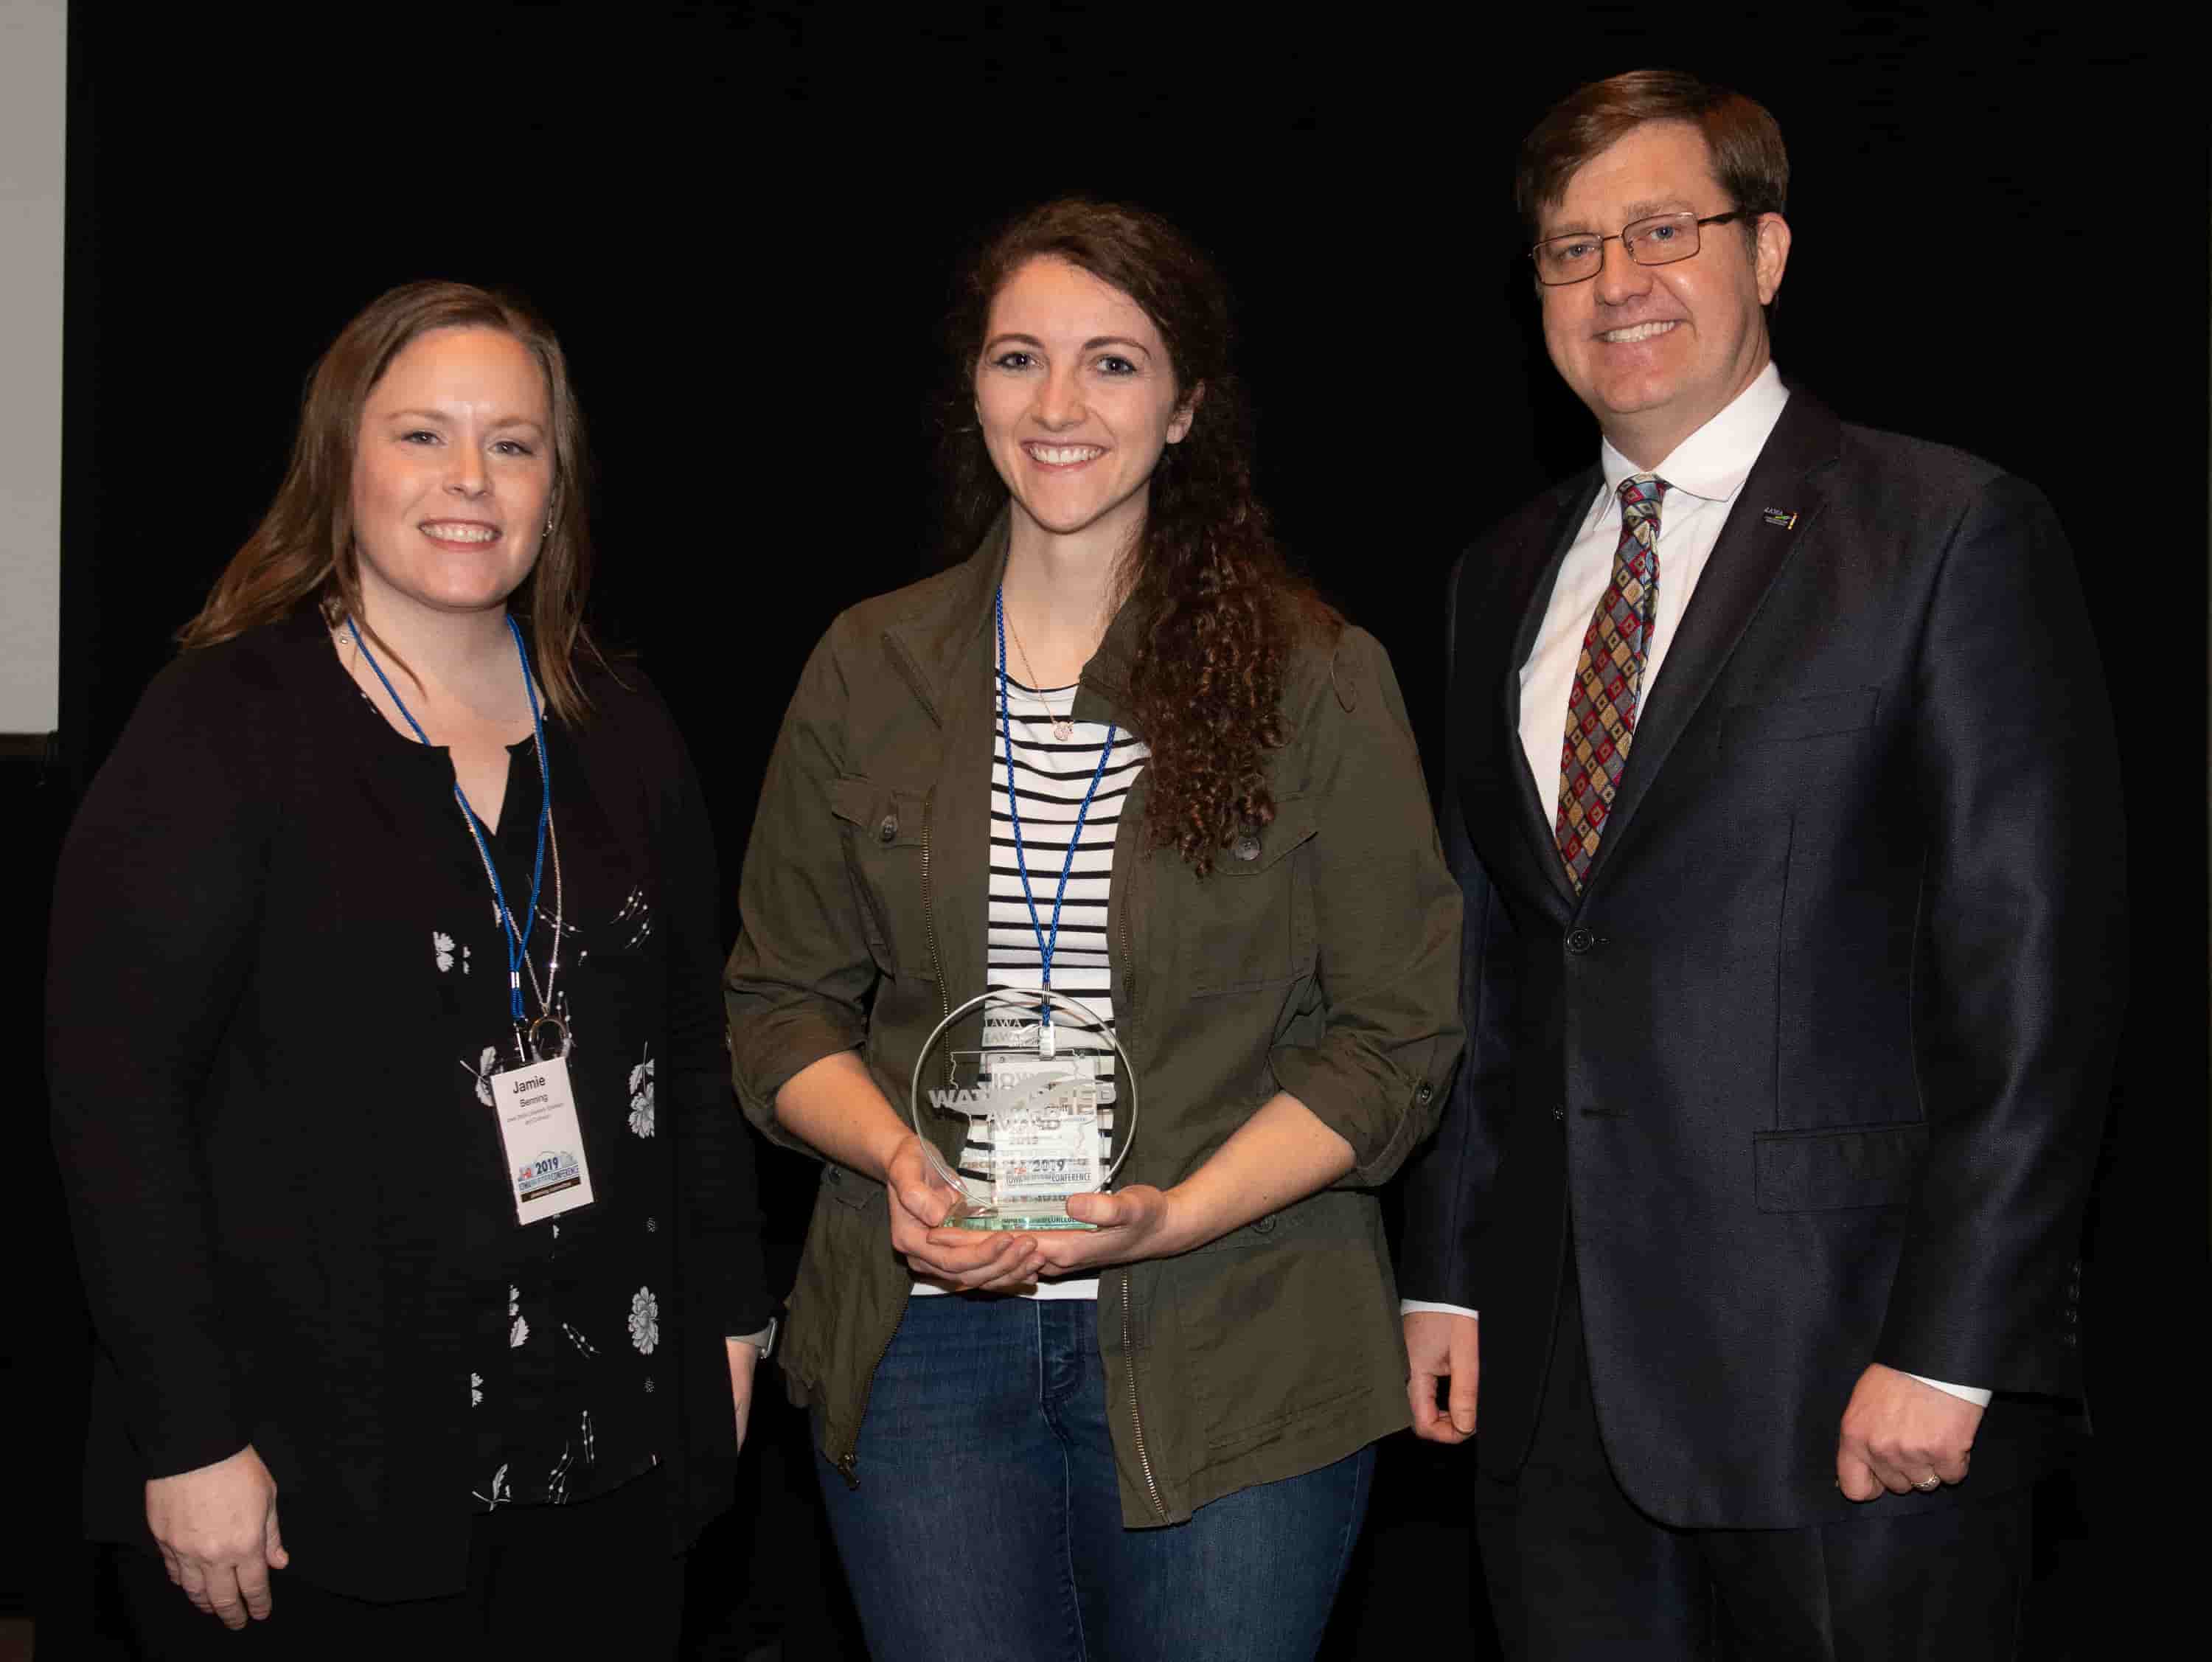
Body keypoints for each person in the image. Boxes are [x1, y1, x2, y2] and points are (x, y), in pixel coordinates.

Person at [1397, 69, 2126, 1659]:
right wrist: (1446, 1275)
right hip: (1550, 1389)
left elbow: (2035, 979)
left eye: (1663, 228)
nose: (1615, 280)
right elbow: (1489, 958)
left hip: (1848, 1373)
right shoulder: (1495, 576)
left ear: (1770, 251)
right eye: (1570, 249)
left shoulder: (1947, 530)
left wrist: (1961, 1341)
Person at [724, 198, 1462, 1662]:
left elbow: (1394, 1035)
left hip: (1235, 1333)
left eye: (1113, 364)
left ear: (1189, 404)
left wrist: (1172, 1213)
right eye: (1019, 358)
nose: (1060, 405)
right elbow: (778, 1006)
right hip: (922, 1343)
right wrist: (896, 1156)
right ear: (974, 391)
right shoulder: (868, 664)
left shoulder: (1317, 675)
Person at [47, 280, 772, 1656]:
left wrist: (734, 1321)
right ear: (342, 464)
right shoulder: (223, 726)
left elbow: (690, 1047)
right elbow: (114, 1098)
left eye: (513, 442)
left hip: (609, 1446)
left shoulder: (621, 727)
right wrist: (188, 1430)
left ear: (557, 487)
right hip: (315, 1477)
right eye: (422, 435)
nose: (469, 480)